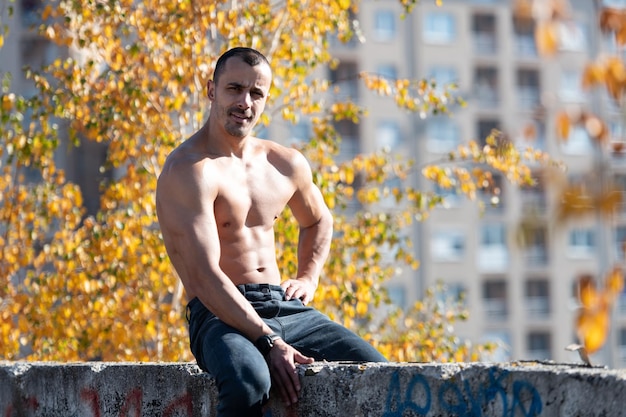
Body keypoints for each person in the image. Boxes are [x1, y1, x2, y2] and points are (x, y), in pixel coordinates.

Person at [155, 47, 387, 416]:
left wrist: (308, 278)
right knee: (248, 382)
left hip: (286, 307)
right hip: (219, 315)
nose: (244, 102)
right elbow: (203, 276)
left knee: (380, 376)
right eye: (234, 89)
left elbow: (318, 220)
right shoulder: (189, 170)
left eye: (256, 93)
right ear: (211, 90)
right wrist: (267, 341)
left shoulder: (285, 163)